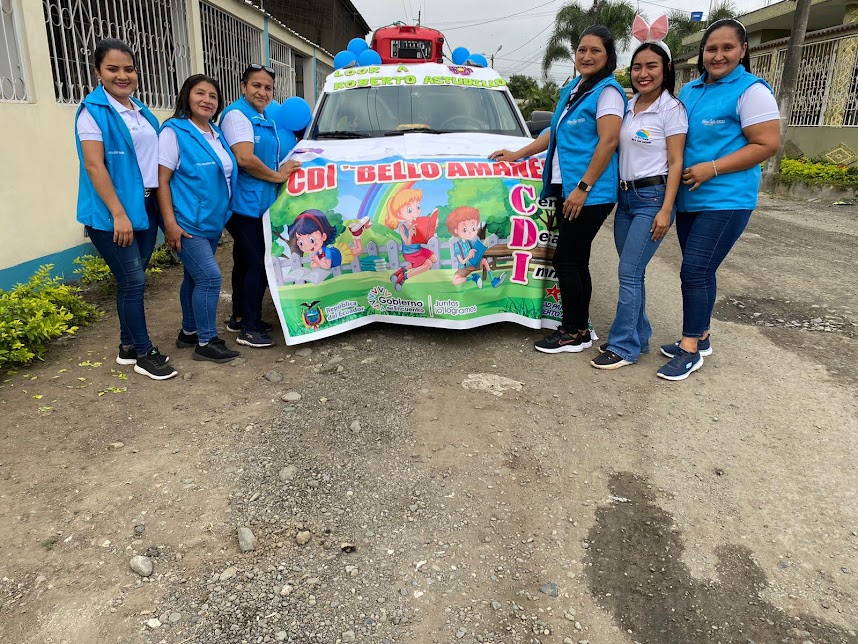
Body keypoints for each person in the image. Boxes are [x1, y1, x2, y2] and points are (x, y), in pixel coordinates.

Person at [490, 25, 627, 354]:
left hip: (590, 193)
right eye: (582, 50)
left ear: (609, 56)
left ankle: (572, 331)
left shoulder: (608, 92)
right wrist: (518, 154)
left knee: (566, 260)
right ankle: (579, 328)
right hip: (572, 189)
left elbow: (608, 141)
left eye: (595, 50)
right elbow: (554, 132)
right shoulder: (576, 88)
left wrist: (582, 187)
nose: (587, 56)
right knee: (576, 260)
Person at [657, 18, 779, 380]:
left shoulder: (751, 90)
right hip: (690, 198)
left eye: (728, 48)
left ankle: (689, 348)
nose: (718, 55)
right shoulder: (691, 90)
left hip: (727, 199)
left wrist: (712, 168)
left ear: (743, 50)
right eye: (711, 48)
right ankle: (702, 335)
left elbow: (767, 144)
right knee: (702, 269)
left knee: (694, 270)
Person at [75, 38, 177, 380]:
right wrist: (119, 214)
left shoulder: (139, 110)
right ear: (98, 72)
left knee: (131, 281)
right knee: (133, 281)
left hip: (146, 206)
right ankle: (144, 353)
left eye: (129, 69)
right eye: (113, 69)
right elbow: (94, 166)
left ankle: (127, 346)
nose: (122, 76)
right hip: (113, 213)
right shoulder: (93, 113)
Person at [591, 17, 687, 370]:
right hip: (626, 199)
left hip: (652, 199)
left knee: (629, 273)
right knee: (634, 271)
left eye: (651, 66)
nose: (643, 73)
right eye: (637, 67)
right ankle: (639, 336)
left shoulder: (671, 109)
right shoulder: (629, 107)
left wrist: (666, 210)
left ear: (666, 69)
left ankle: (623, 346)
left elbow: (675, 162)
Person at [157, 74, 241, 364]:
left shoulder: (215, 133)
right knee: (209, 277)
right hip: (186, 222)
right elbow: (162, 181)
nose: (207, 100)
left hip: (211, 220)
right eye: (200, 93)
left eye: (213, 96)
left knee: (194, 276)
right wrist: (170, 224)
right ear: (186, 96)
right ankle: (206, 341)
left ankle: (189, 332)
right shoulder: (174, 132)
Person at [220, 64, 301, 348]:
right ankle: (250, 329)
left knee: (245, 261)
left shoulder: (262, 116)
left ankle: (240, 316)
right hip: (244, 205)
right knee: (258, 263)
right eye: (256, 85)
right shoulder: (237, 115)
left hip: (259, 203)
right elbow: (245, 158)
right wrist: (278, 176)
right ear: (243, 86)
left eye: (268, 88)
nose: (262, 92)